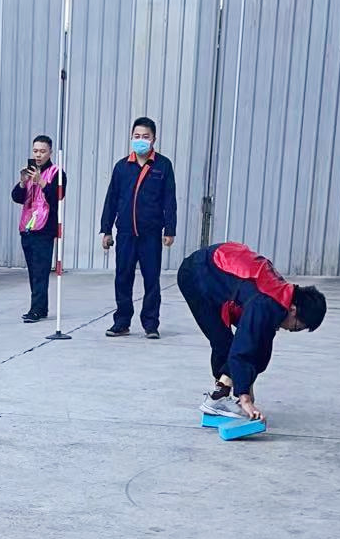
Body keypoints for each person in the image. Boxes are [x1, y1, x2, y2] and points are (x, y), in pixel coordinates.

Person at [177, 241, 327, 420]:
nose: (288, 330)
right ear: (293, 310)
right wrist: (245, 399)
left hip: (219, 272)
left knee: (256, 344)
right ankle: (218, 397)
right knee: (224, 343)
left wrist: (247, 387)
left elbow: (259, 348)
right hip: (196, 273)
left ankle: (225, 396)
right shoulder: (265, 303)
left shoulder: (280, 298)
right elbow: (244, 349)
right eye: (296, 328)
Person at [100, 117, 177, 339]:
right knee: (122, 277)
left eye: (145, 136)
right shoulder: (122, 166)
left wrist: (170, 229)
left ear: (154, 139)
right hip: (126, 233)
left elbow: (169, 200)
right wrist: (106, 230)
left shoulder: (163, 165)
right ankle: (122, 322)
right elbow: (111, 200)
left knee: (151, 279)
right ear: (131, 138)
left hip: (150, 234)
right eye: (137, 136)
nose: (140, 140)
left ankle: (151, 324)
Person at [11, 135, 67, 323]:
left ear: (50, 152)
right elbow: (17, 197)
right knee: (33, 271)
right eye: (35, 151)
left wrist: (41, 181)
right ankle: (41, 308)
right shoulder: (30, 172)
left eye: (42, 151)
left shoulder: (57, 173)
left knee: (41, 271)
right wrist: (22, 182)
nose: (38, 155)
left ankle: (35, 309)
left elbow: (57, 196)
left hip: (44, 229)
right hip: (28, 227)